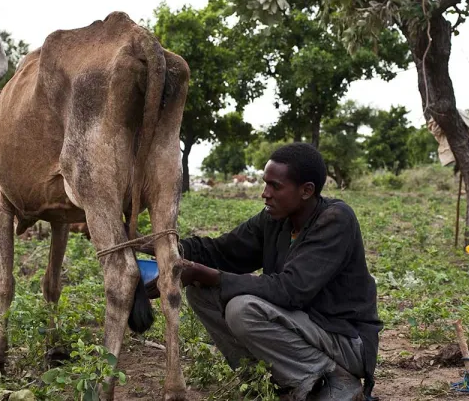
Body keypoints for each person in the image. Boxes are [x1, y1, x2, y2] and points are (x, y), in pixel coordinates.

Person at [140, 143, 380, 401]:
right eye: (266, 184)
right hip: (305, 327)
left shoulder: (335, 220)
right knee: (202, 293)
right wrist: (151, 244)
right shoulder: (276, 219)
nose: (265, 194)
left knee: (242, 310)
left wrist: (204, 273)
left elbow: (290, 291)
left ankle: (331, 380)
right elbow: (222, 250)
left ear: (306, 191)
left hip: (345, 340)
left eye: (275, 186)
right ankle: (266, 381)